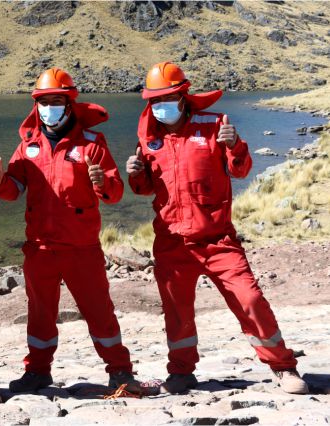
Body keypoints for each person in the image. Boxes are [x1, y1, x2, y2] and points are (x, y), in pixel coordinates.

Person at [126, 61, 309, 395]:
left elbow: (240, 171)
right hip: (171, 241)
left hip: (217, 239)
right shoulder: (149, 138)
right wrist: (136, 173)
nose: (160, 105)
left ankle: (283, 366)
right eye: (154, 100)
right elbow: (146, 189)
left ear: (183, 96)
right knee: (176, 311)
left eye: (167, 97)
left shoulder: (214, 126)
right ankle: (181, 371)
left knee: (249, 299)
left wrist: (235, 144)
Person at [0, 68, 151, 394]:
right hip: (40, 247)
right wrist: (0, 182)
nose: (50, 108)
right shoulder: (28, 145)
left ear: (69, 104)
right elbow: (14, 189)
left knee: (99, 311)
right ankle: (37, 372)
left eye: (57, 102)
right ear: (36, 105)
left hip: (81, 248)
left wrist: (101, 182)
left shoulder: (92, 144)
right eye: (44, 102)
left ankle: (120, 370)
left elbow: (115, 193)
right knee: (40, 314)